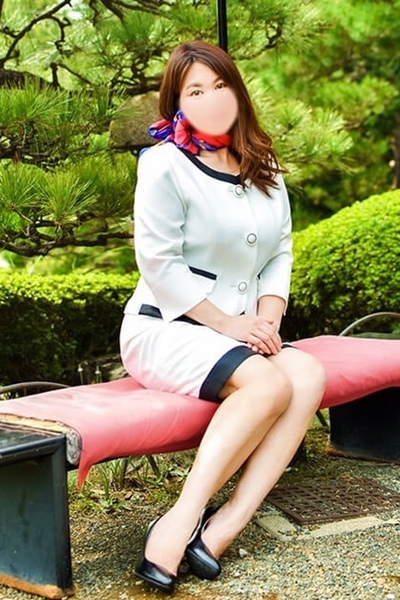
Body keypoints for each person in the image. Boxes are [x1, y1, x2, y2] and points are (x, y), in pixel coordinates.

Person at [120, 40, 326, 593]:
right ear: (178, 103)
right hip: (166, 329)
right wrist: (232, 325)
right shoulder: (164, 164)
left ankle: (225, 526)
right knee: (267, 383)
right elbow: (158, 263)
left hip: (238, 333)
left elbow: (280, 251)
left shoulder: (264, 165)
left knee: (308, 374)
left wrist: (268, 318)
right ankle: (180, 519)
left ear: (236, 92)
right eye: (195, 90)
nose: (210, 98)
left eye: (219, 85)